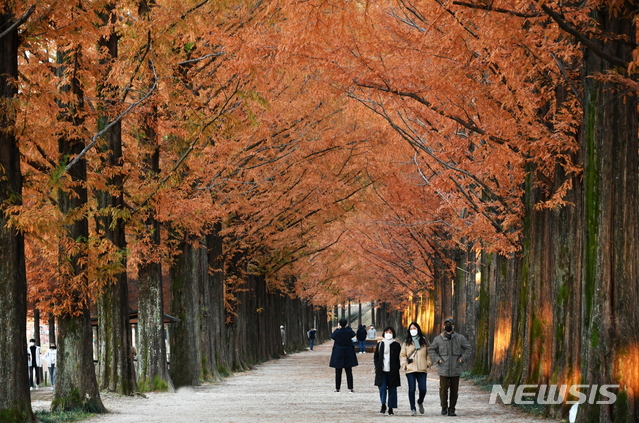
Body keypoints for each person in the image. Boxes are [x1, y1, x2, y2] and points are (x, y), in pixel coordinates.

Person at [428, 317, 471, 417]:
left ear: (453, 326)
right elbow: (431, 349)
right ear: (443, 326)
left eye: (450, 324)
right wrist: (438, 359)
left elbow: (468, 348)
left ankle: (452, 409)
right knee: (443, 389)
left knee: (454, 390)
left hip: (456, 368)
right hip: (443, 368)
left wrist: (462, 359)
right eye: (446, 324)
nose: (448, 326)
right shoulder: (438, 339)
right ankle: (444, 406)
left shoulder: (460, 338)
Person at [400, 322, 431, 416]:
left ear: (418, 329)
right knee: (412, 389)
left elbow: (429, 353)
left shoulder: (424, 341)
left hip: (422, 368)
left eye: (414, 328)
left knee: (423, 389)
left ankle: (420, 401)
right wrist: (404, 364)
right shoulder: (406, 342)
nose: (413, 330)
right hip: (410, 369)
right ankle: (412, 408)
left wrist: (428, 363)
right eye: (411, 328)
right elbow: (402, 355)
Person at [374, 326, 401, 416]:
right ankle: (383, 404)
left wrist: (397, 367)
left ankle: (391, 408)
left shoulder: (396, 345)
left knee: (392, 389)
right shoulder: (380, 344)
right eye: (387, 332)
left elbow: (399, 357)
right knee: (382, 388)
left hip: (392, 371)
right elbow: (376, 356)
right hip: (382, 371)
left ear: (393, 334)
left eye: (390, 332)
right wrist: (377, 365)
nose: (388, 334)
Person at [329, 318, 358, 392]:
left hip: (338, 352)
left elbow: (332, 336)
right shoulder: (349, 331)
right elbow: (353, 334)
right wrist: (347, 327)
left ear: (339, 324)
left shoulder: (337, 332)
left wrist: (338, 328)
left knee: (338, 371)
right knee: (349, 371)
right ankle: (351, 388)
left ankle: (337, 388)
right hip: (348, 351)